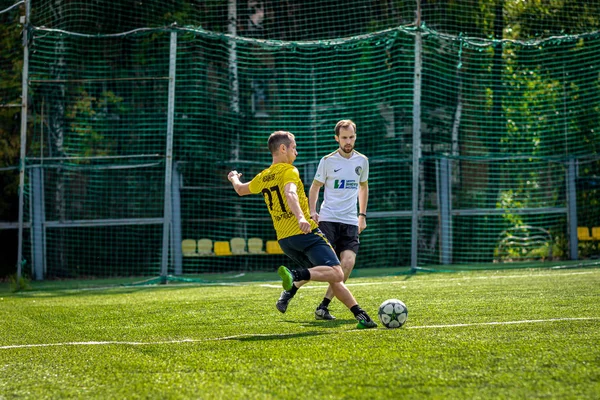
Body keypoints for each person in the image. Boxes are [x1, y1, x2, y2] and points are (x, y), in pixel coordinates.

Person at [227, 130, 377, 329]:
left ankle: (361, 315)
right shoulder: (289, 170)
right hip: (305, 233)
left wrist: (233, 177)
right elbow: (290, 193)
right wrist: (300, 217)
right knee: (337, 272)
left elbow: (240, 189)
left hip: (285, 241)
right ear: (283, 149)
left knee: (331, 274)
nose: (296, 152)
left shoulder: (263, 176)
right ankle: (296, 275)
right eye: (294, 147)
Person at [308, 119, 368, 321]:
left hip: (351, 221)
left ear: (355, 136)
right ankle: (294, 284)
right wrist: (312, 211)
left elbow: (363, 187)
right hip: (328, 218)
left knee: (347, 264)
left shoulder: (362, 161)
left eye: (351, 137)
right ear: (337, 139)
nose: (348, 141)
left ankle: (323, 306)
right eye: (344, 138)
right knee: (328, 267)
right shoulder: (327, 161)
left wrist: (362, 216)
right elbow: (315, 187)